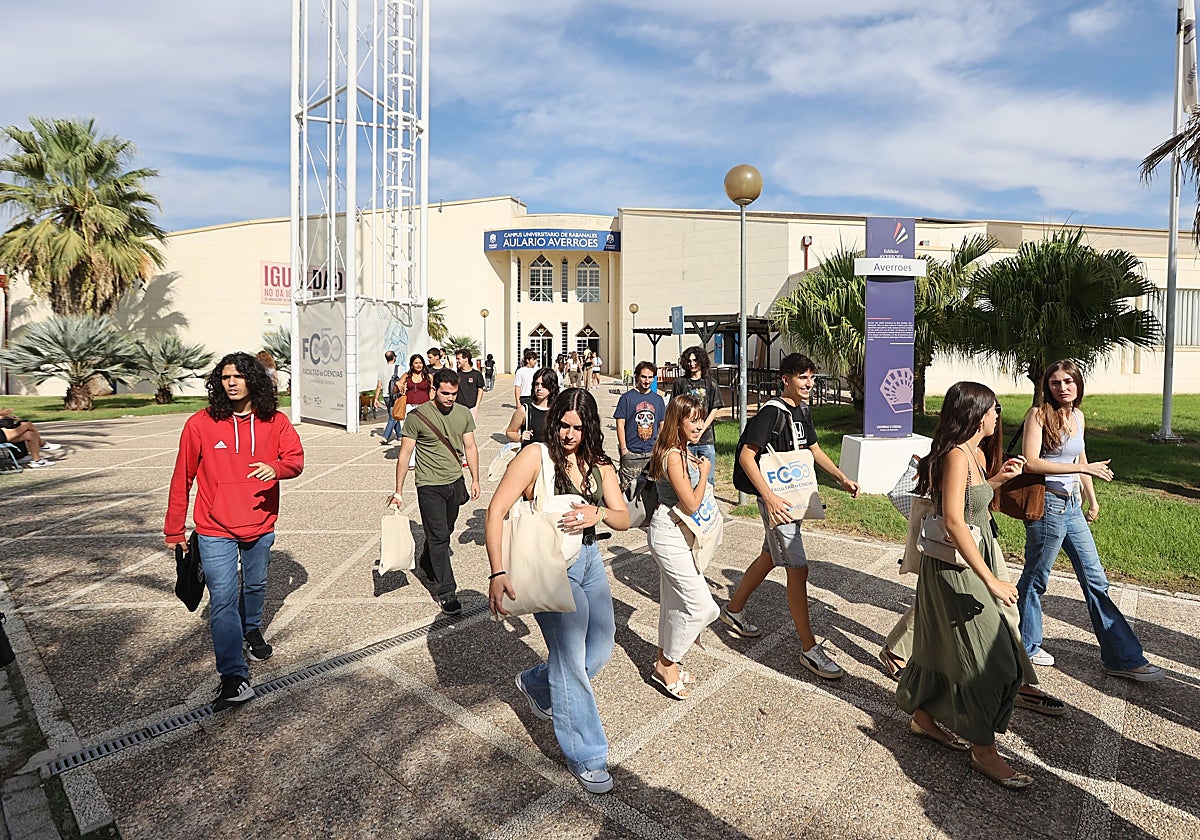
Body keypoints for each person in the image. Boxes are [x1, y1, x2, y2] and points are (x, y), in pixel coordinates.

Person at [485, 388, 630, 794]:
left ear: (589, 428)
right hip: (549, 567)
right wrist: (497, 572)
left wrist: (596, 513)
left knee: (601, 646)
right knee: (570, 660)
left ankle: (535, 684)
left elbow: (623, 517)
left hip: (590, 561)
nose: (568, 434)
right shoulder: (535, 456)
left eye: (577, 427)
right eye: (563, 425)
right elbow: (496, 511)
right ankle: (587, 754)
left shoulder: (599, 464)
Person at [895, 381, 1033, 790]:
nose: (997, 415)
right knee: (995, 660)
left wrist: (996, 481)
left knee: (948, 647)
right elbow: (954, 521)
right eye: (992, 409)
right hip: (958, 567)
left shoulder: (972, 452)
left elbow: (970, 502)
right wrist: (990, 580)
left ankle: (923, 716)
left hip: (975, 556)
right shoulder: (956, 455)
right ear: (974, 414)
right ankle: (983, 750)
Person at [164, 352, 305, 710]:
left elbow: (296, 461)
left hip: (260, 524)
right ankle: (233, 677)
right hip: (214, 527)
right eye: (225, 377)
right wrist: (174, 528)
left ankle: (252, 626)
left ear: (253, 381)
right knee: (223, 600)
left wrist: (275, 469)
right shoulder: (201, 424)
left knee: (255, 585)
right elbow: (183, 477)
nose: (231, 382)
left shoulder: (275, 421)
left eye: (238, 376)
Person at [1016, 360, 1164, 682]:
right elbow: (1031, 463)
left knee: (1096, 580)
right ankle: (1025, 646)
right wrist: (1082, 470)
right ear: (1047, 387)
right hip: (1049, 508)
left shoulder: (1078, 416)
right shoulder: (1038, 415)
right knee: (1036, 579)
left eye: (1068, 381)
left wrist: (1091, 497)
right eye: (1055, 383)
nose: (1062, 387)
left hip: (1072, 507)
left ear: (1078, 384)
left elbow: (1080, 457)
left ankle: (1121, 658)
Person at [721, 353, 859, 679]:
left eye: (812, 377)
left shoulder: (802, 411)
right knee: (799, 570)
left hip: (791, 498)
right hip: (778, 502)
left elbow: (813, 449)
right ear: (786, 379)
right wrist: (768, 498)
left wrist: (841, 478)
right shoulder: (772, 412)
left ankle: (733, 610)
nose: (809, 384)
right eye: (802, 378)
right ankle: (810, 650)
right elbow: (746, 455)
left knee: (770, 557)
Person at [646, 393, 719, 699]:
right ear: (678, 421)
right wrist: (703, 474)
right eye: (692, 420)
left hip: (678, 532)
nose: (699, 425)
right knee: (704, 606)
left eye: (701, 419)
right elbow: (689, 503)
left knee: (674, 603)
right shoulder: (673, 455)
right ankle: (666, 662)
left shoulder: (681, 449)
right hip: (669, 531)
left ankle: (666, 661)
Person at [391, 368, 480, 615]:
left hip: (454, 482)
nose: (450, 398)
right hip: (428, 485)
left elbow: (470, 447)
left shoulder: (463, 414)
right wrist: (398, 490)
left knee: (446, 530)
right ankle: (447, 592)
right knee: (439, 536)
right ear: (434, 390)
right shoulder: (417, 417)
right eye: (445, 393)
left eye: (453, 393)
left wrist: (475, 479)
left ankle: (427, 561)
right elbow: (405, 454)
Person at [670, 346, 723, 486]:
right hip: (684, 440)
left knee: (708, 479)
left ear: (701, 361)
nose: (692, 364)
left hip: (706, 439)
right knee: (686, 477)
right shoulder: (680, 383)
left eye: (695, 360)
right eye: (689, 361)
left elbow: (715, 407)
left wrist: (702, 429)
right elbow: (673, 409)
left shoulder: (710, 383)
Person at [612, 361, 665, 489]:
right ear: (637, 376)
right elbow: (620, 424)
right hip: (631, 454)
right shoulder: (626, 398)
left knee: (651, 494)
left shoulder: (658, 400)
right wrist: (624, 450)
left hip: (652, 454)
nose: (647, 381)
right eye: (643, 377)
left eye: (650, 377)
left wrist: (660, 448)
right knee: (628, 493)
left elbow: (662, 425)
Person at [506, 368, 559, 450]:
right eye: (536, 384)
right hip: (529, 456)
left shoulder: (557, 410)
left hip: (552, 456)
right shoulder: (525, 410)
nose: (539, 388)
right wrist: (520, 437)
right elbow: (510, 432)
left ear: (551, 387)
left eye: (544, 385)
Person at [374, 350, 403, 444]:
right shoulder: (399, 368)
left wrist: (376, 398)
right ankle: (385, 437)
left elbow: (379, 385)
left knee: (393, 414)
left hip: (386, 395)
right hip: (396, 395)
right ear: (394, 358)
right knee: (393, 417)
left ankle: (399, 435)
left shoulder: (381, 369)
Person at [454, 349, 486, 422]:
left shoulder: (477, 374)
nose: (456, 361)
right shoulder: (456, 375)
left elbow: (480, 390)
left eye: (458, 358)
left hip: (472, 408)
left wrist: (477, 406)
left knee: (469, 431)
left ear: (466, 359)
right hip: (458, 408)